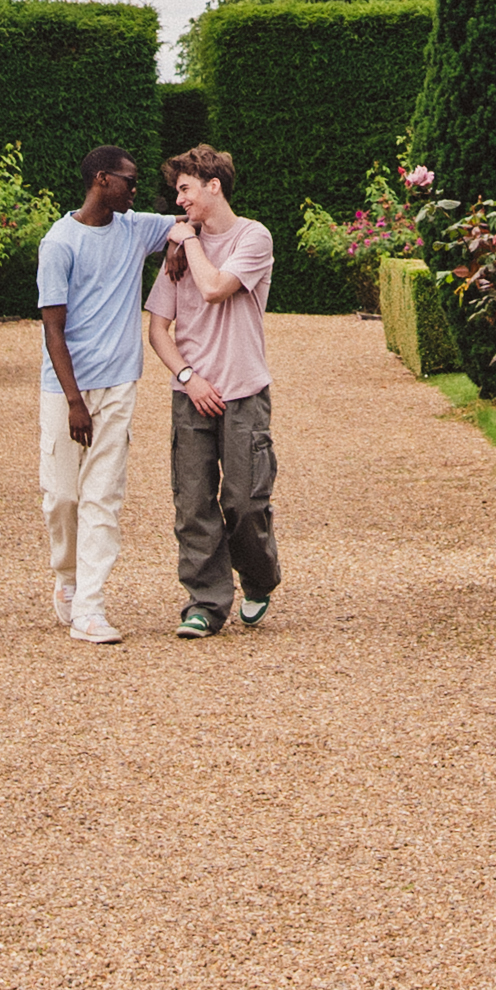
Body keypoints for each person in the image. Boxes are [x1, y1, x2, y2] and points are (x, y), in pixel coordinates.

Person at [33, 143, 173, 645]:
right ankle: (67, 576)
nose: (136, 190)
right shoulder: (60, 243)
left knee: (103, 497)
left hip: (118, 385)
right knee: (62, 497)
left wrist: (176, 246)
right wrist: (73, 401)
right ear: (100, 181)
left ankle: (90, 606)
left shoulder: (136, 228)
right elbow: (54, 331)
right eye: (128, 181)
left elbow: (188, 222)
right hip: (66, 390)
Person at [142, 142, 278, 638]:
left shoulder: (253, 237)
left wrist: (188, 241)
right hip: (192, 396)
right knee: (193, 502)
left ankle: (259, 579)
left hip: (243, 393)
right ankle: (205, 602)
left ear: (213, 186)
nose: (179, 201)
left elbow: (217, 287)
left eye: (184, 190)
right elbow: (158, 329)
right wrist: (187, 378)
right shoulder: (178, 253)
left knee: (244, 503)